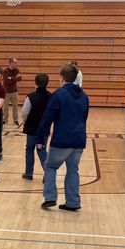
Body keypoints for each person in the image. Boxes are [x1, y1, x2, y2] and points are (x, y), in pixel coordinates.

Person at [35, 64, 90, 212]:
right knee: (73, 170)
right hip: (79, 140)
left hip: (61, 140)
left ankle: (50, 197)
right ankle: (73, 202)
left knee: (51, 166)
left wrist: (40, 138)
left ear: (61, 78)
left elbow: (47, 118)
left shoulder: (59, 94)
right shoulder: (84, 96)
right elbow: (84, 117)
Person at [20, 73, 50, 181]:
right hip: (44, 130)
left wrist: (24, 121)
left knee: (29, 149)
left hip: (31, 129)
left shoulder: (31, 97)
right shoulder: (51, 97)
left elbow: (24, 112)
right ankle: (48, 174)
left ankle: (28, 173)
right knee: (41, 150)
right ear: (47, 83)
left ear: (35, 83)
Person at [2, 57, 22, 126]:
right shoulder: (5, 71)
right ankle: (4, 120)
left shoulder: (17, 70)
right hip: (6, 92)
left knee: (15, 106)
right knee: (5, 107)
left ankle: (15, 120)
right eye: (15, 62)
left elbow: (20, 78)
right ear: (11, 63)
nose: (16, 64)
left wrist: (11, 78)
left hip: (14, 92)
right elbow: (6, 80)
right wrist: (14, 79)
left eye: (16, 62)